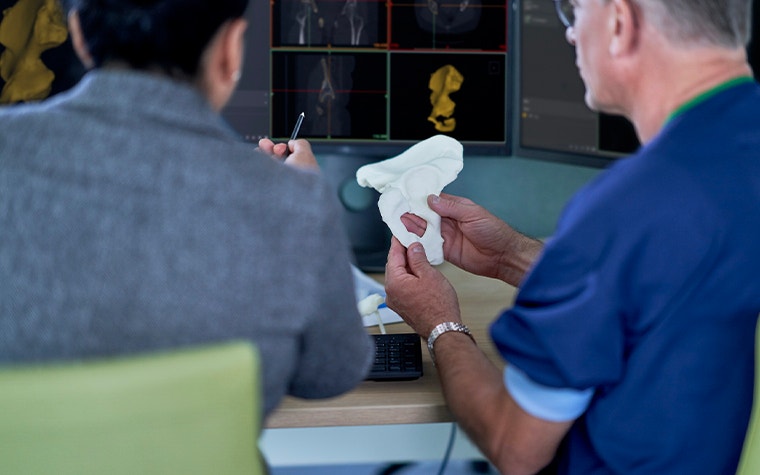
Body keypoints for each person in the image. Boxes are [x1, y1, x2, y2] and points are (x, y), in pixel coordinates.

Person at [384, 0, 760, 473]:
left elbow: (513, 444)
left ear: (620, 23)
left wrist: (440, 323)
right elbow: (662, 284)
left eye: (575, 12)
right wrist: (511, 257)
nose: (569, 34)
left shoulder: (626, 208)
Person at [0, 0, 373, 419]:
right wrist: (290, 199)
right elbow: (331, 373)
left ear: (80, 36)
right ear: (231, 47)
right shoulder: (294, 201)